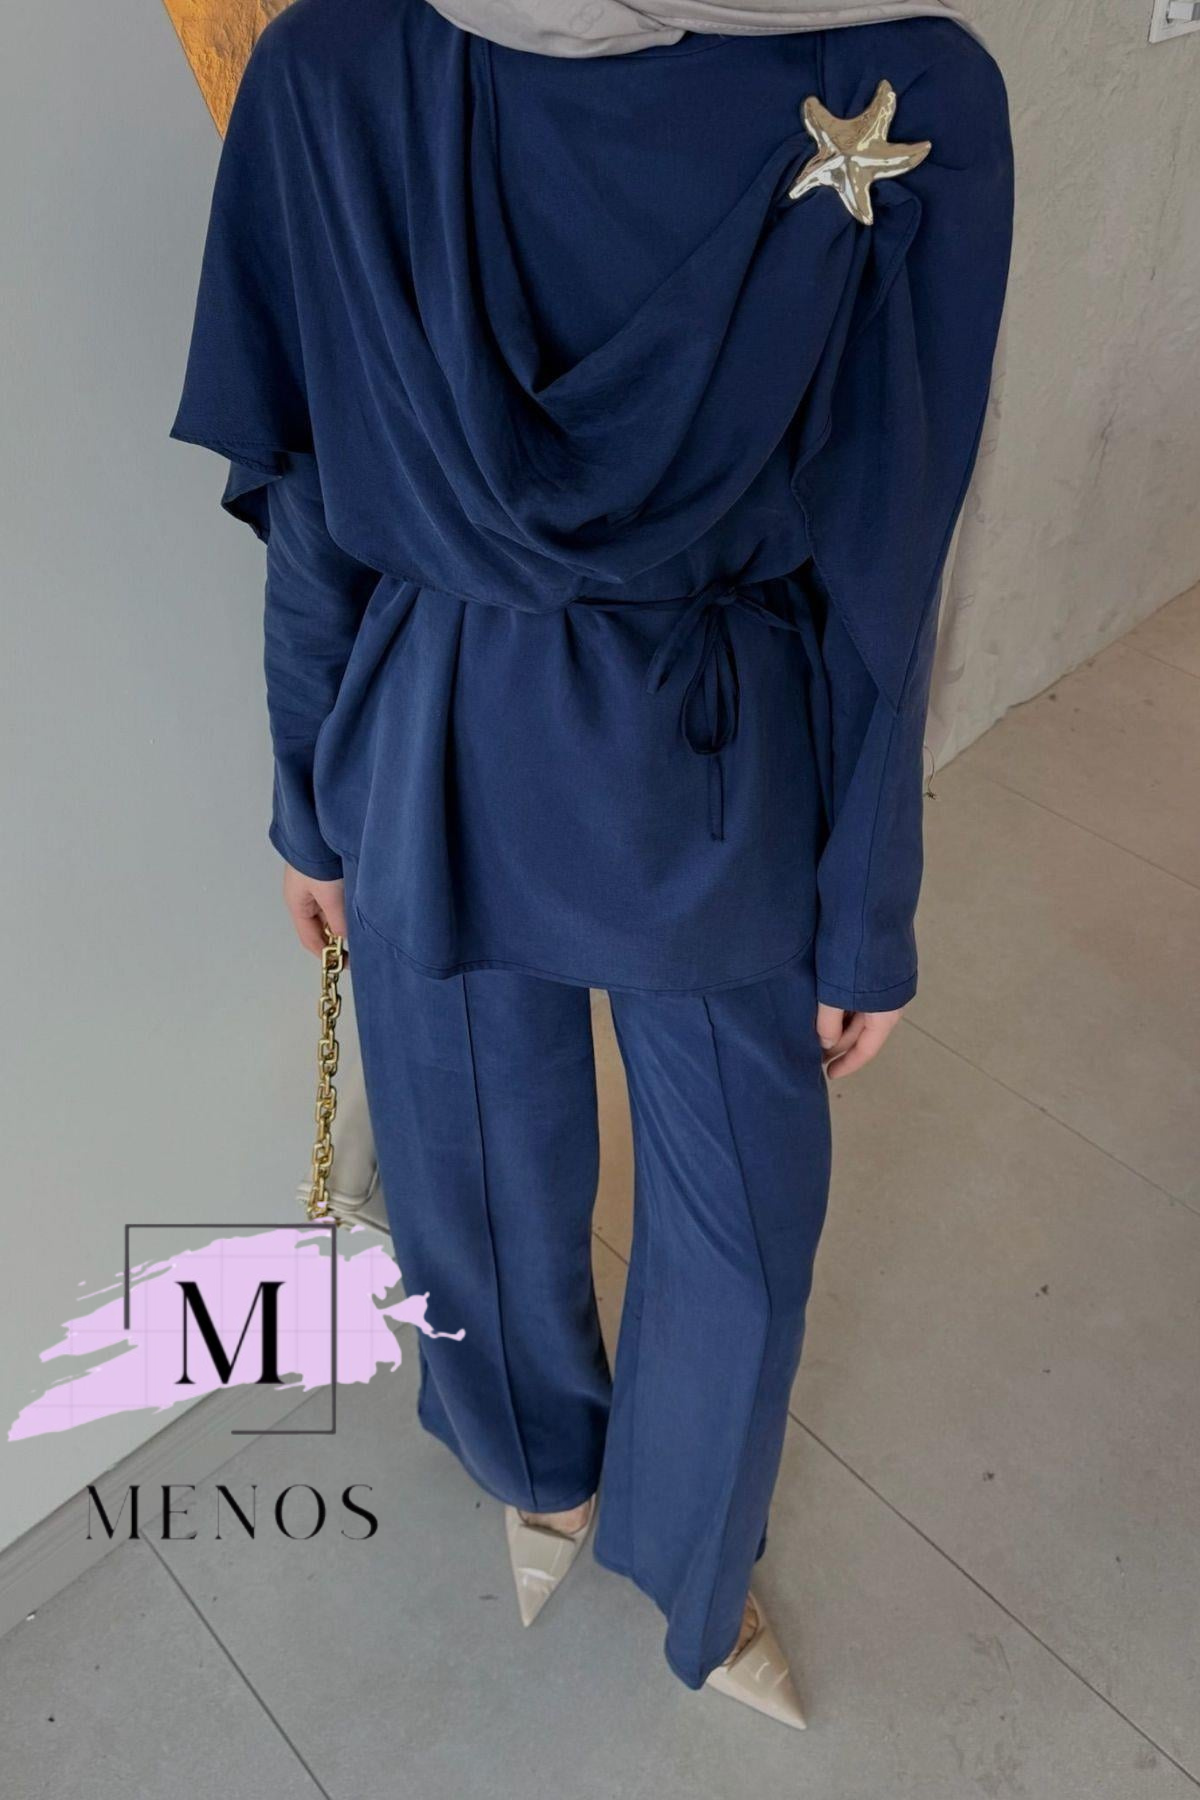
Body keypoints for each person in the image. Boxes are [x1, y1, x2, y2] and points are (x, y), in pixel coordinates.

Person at [170, 0, 1013, 1727]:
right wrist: (306, 800)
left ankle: (687, 1550)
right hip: (465, 723)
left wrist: (868, 898)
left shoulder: (901, 77)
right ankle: (536, 1468)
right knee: (470, 1163)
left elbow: (888, 532)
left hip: (686, 733)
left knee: (739, 1209)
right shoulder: (333, 66)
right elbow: (318, 471)